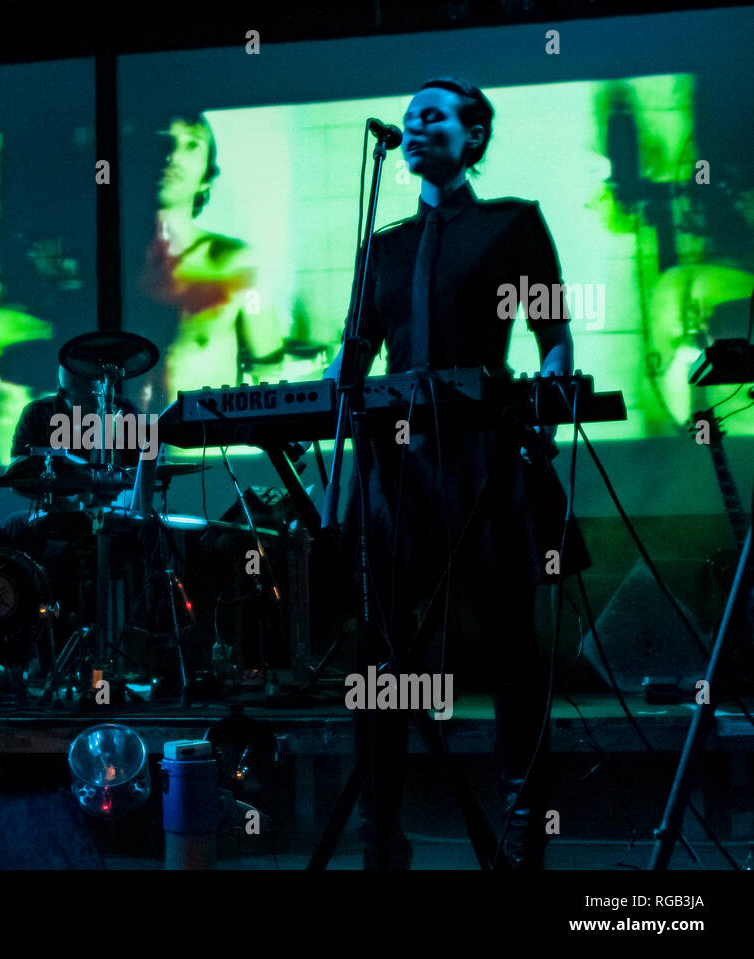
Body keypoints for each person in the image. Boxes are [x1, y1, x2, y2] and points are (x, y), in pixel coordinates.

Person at [327, 78, 589, 869]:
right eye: (406, 122)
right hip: (396, 470)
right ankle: (382, 830)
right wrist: (322, 400)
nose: (414, 130)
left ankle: (524, 823)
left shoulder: (511, 224)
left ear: (473, 137)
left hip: (482, 462)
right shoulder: (383, 247)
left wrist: (544, 401)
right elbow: (355, 355)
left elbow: (553, 336)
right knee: (382, 657)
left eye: (433, 118)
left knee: (512, 646)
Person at [136, 112, 284, 412]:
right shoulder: (111, 267)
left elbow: (270, 366)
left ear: (206, 176)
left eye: (191, 145)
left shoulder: (235, 262)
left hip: (213, 453)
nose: (173, 155)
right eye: (164, 142)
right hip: (127, 452)